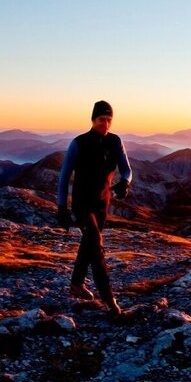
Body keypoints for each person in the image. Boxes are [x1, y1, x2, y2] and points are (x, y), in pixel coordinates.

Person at [56, 100, 133, 318]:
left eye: (109, 120)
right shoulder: (78, 143)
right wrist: (61, 207)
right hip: (82, 204)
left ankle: (76, 284)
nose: (106, 124)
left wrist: (125, 183)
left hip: (102, 204)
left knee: (89, 242)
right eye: (102, 119)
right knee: (96, 246)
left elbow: (128, 170)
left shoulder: (115, 142)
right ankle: (109, 300)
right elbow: (63, 177)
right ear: (93, 119)